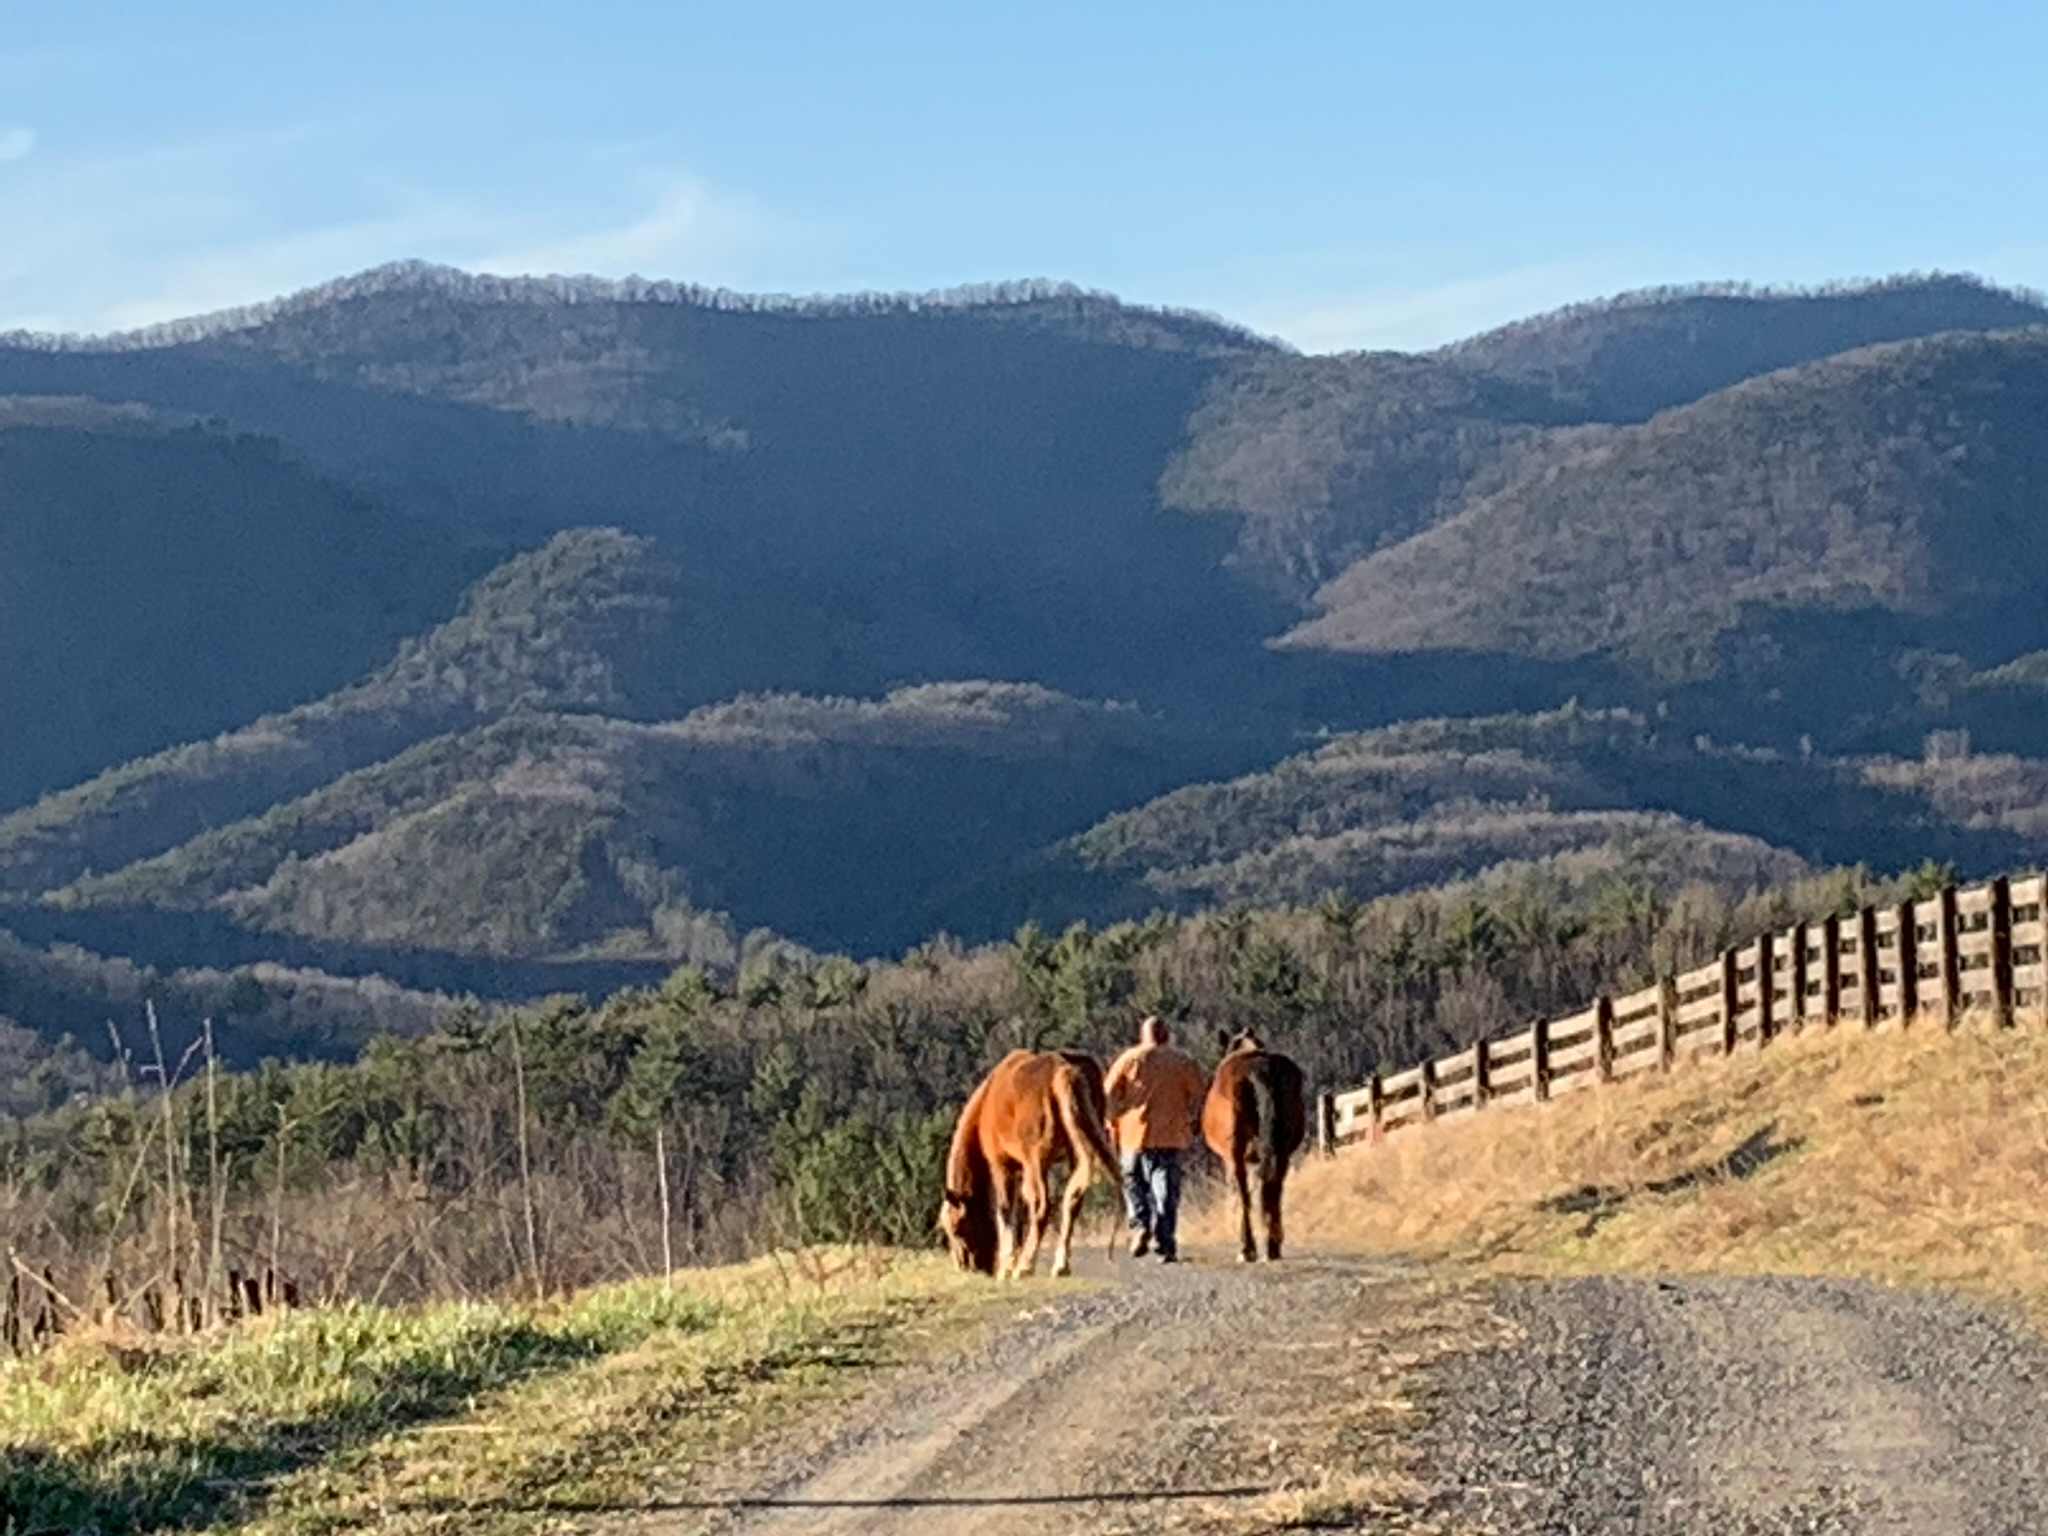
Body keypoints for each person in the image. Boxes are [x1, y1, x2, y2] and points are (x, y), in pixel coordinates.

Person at [1103, 1015, 1209, 1263]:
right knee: (1165, 1193)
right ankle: (1165, 1243)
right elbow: (1199, 1094)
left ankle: (1139, 1226)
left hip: (1132, 1136)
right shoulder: (1183, 1062)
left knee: (1132, 1184)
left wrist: (1111, 1119)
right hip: (1169, 1136)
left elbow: (1107, 1092)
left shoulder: (1129, 1059)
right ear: (1166, 1036)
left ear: (1143, 1035)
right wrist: (1192, 1120)